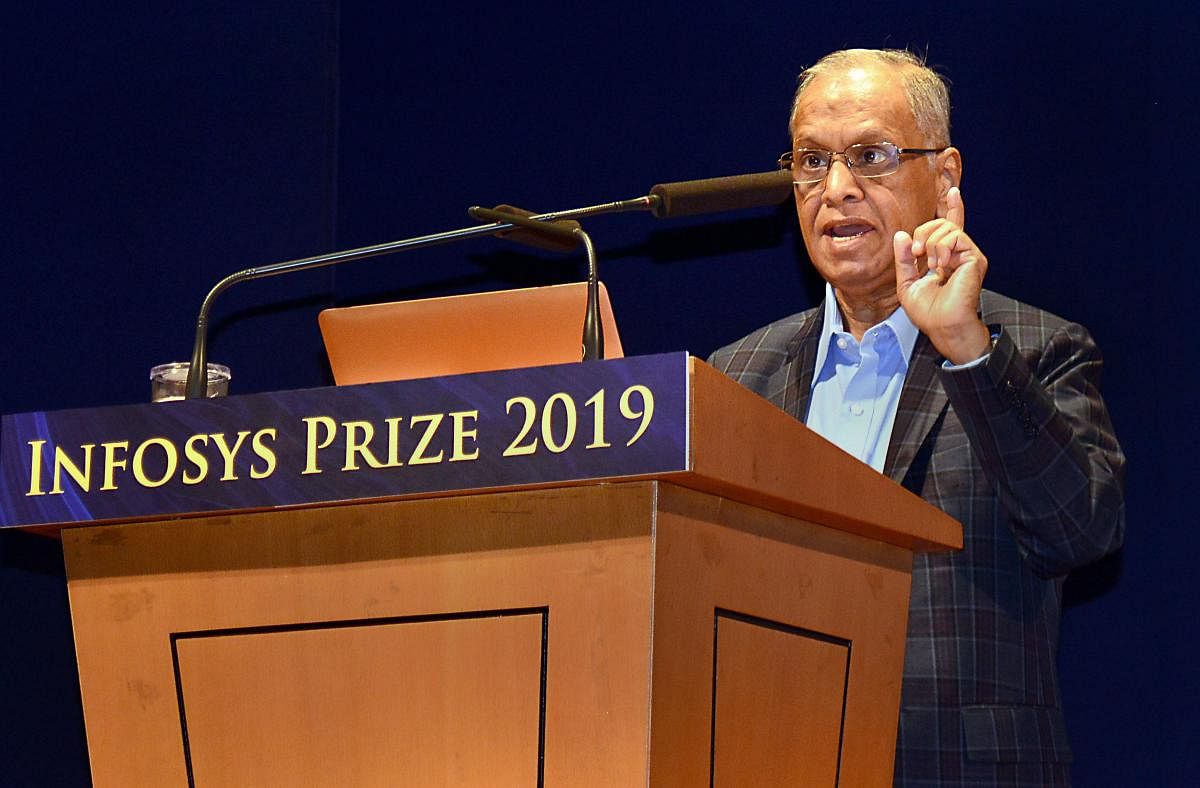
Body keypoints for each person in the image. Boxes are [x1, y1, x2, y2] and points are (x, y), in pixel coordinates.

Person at [708, 49, 1125, 787]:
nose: (835, 190)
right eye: (811, 161)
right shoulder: (735, 376)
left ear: (946, 176)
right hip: (771, 755)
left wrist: (965, 346)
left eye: (870, 156)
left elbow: (1082, 531)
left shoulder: (1033, 349)